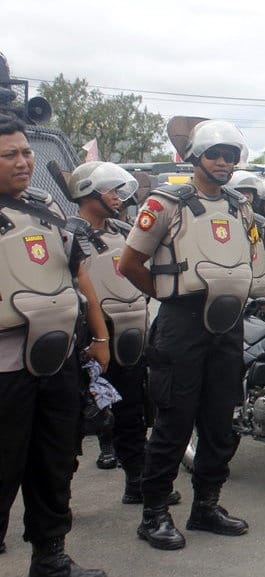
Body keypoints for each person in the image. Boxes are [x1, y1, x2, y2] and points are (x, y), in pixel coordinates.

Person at [120, 119, 256, 551]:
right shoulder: (166, 203)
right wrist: (166, 295)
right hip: (182, 323)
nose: (222, 162)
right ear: (195, 156)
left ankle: (206, 507)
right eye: (214, 153)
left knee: (220, 422)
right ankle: (154, 514)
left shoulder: (240, 206)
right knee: (173, 421)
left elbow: (254, 257)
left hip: (228, 324)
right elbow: (129, 263)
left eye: (230, 156)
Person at [0, 114, 109, 576]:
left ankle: (50, 559)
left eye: (26, 152)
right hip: (5, 368)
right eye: (10, 154)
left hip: (58, 359)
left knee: (55, 463)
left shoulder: (45, 209)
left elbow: (78, 273)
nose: (24, 161)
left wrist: (100, 335)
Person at [66, 162, 183, 508]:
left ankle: (137, 481)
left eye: (119, 191)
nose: (118, 198)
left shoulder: (123, 229)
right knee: (74, 422)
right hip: (90, 338)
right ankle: (58, 497)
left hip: (132, 330)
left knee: (132, 412)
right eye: (110, 191)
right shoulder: (67, 233)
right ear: (87, 192)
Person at [226, 170, 265, 297]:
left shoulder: (260, 223)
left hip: (257, 288)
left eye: (249, 191)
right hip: (232, 287)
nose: (245, 195)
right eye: (241, 191)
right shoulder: (225, 220)